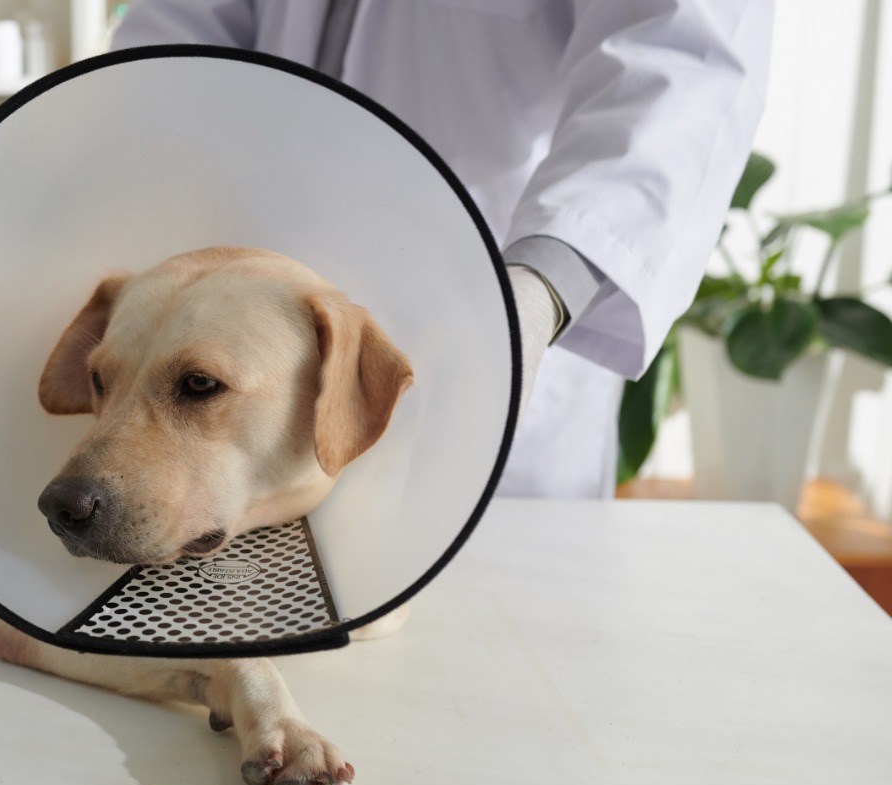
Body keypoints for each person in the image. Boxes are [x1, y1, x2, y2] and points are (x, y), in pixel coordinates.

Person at [114, 0, 772, 498]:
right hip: (239, 366)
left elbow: (679, 57)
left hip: (483, 316)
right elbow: (175, 41)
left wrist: (536, 294)